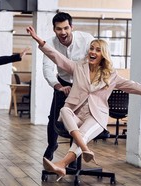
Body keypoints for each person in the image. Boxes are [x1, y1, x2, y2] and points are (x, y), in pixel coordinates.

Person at [26, 26, 141, 181]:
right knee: (64, 111)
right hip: (77, 113)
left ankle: (62, 164)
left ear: (103, 55)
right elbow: (57, 57)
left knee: (83, 135)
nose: (92, 52)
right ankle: (85, 150)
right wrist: (40, 41)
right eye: (91, 48)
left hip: (96, 116)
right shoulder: (78, 67)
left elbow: (136, 87)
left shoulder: (111, 76)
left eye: (97, 50)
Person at [42, 12, 94, 161]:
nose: (63, 32)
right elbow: (47, 69)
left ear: (71, 27)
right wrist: (58, 86)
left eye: (66, 28)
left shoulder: (86, 40)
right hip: (63, 84)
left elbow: (96, 62)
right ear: (54, 29)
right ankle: (52, 145)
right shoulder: (50, 43)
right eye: (59, 29)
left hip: (83, 84)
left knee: (77, 121)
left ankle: (73, 158)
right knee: (54, 119)